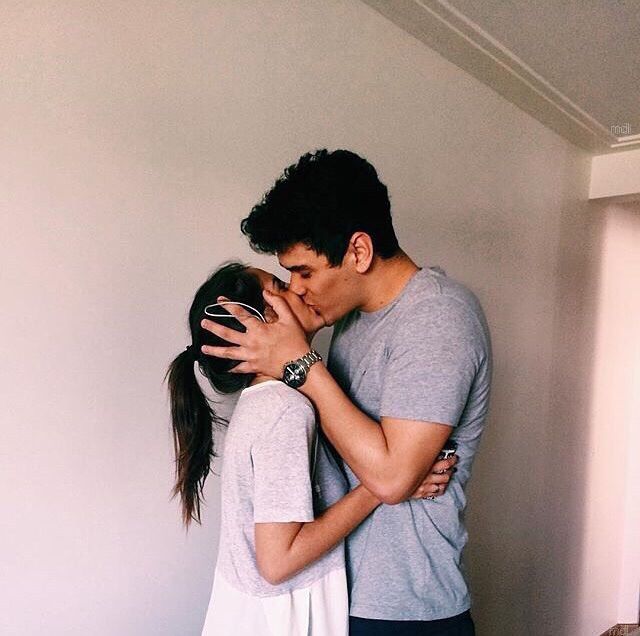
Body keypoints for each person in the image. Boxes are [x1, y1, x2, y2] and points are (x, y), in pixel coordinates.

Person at [201, 149, 492, 635]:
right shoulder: (348, 321)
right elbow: (361, 465)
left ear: (358, 251)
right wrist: (382, 482)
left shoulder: (439, 318)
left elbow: (393, 479)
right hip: (331, 598)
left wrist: (301, 364)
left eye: (304, 272)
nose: (296, 289)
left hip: (404, 610)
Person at [165, 261, 457, 636]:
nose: (299, 289)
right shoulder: (284, 410)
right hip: (285, 621)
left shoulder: (269, 402)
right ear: (260, 323)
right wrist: (389, 484)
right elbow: (277, 562)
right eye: (281, 286)